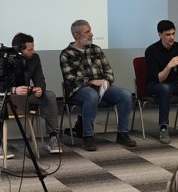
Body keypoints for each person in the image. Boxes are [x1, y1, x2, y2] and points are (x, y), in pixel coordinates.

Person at [59, 19, 137, 151]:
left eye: (90, 31)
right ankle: (87, 136)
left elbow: (108, 70)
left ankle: (122, 134)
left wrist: (107, 81)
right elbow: (70, 78)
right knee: (91, 95)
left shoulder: (96, 49)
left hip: (102, 87)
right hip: (79, 89)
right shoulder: (66, 54)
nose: (91, 34)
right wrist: (90, 81)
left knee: (125, 94)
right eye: (87, 32)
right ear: (77, 35)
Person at [0, 33, 62, 154]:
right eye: (30, 49)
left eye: (33, 48)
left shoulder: (34, 58)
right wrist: (14, 90)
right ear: (19, 50)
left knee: (50, 96)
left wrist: (40, 89)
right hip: (7, 95)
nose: (33, 51)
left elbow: (40, 79)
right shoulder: (3, 59)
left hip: (26, 95)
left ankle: (53, 138)